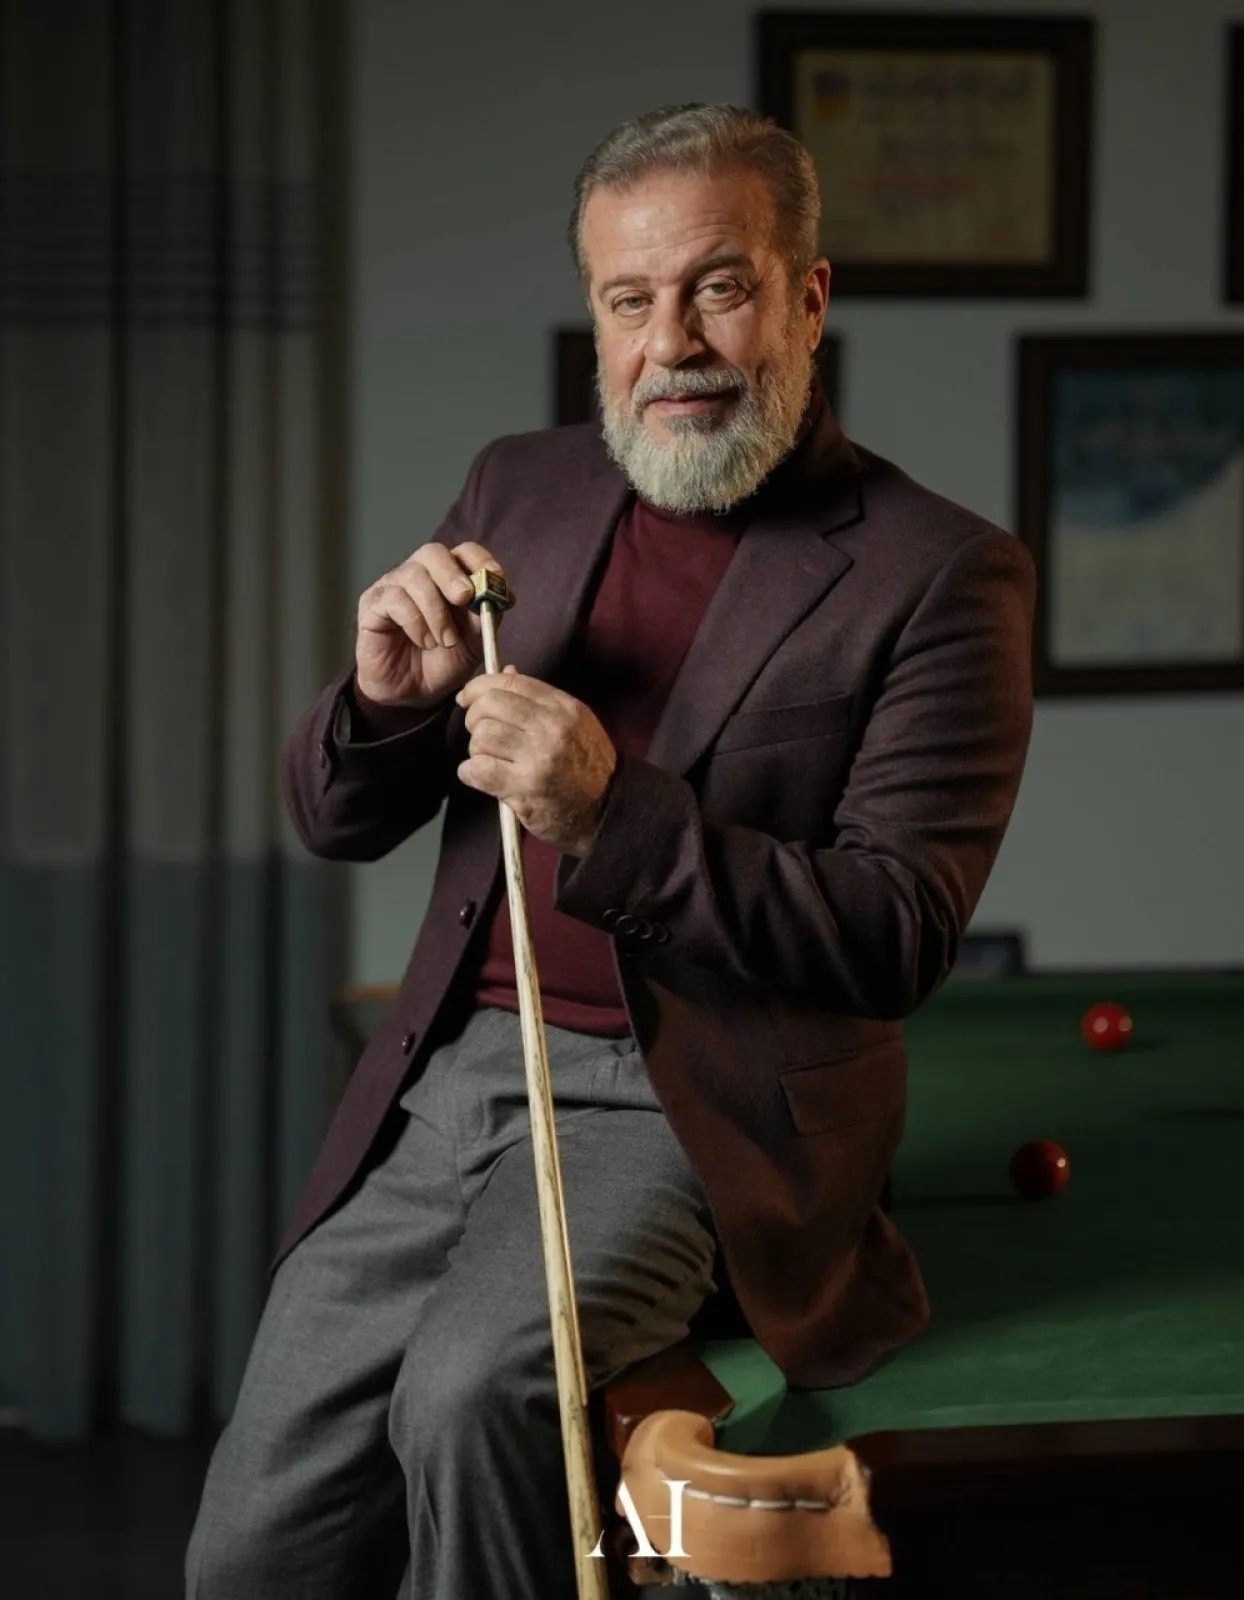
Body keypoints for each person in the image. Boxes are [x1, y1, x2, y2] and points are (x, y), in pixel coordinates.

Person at [186, 103, 1035, 1600]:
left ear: (807, 299)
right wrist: (387, 701)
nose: (673, 344)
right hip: (446, 1075)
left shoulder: (942, 572)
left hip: (684, 1104)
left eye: (720, 287)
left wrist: (609, 810)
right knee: (255, 1546)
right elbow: (335, 819)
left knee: (468, 1399)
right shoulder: (522, 484)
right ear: (597, 316)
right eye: (631, 300)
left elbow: (894, 932)